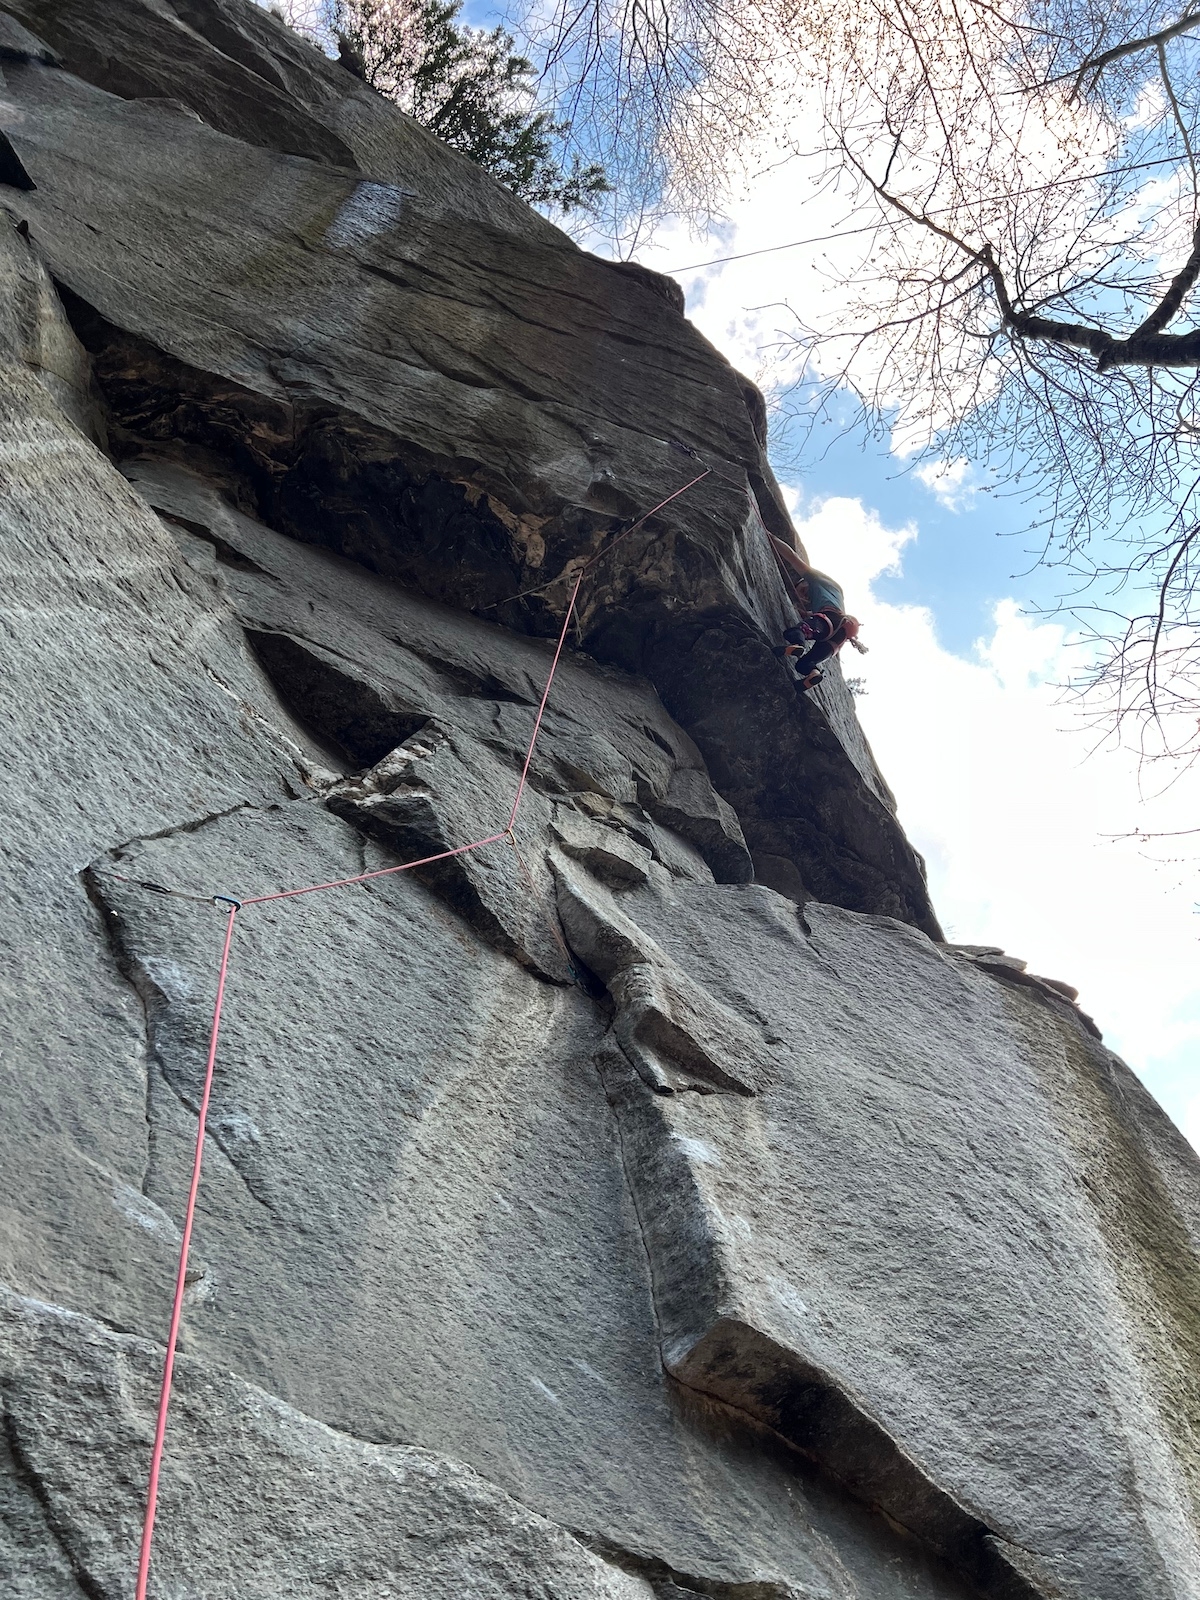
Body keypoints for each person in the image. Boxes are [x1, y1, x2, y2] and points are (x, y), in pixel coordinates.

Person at [768, 533, 867, 692]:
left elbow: (793, 557)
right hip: (835, 641)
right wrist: (804, 612)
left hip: (830, 621)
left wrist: (772, 537)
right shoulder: (834, 598)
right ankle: (812, 675)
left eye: (802, 591)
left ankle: (798, 644)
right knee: (804, 664)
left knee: (796, 632)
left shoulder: (816, 579)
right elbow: (819, 621)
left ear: (806, 582)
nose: (804, 596)